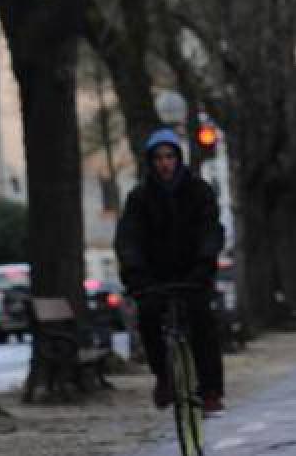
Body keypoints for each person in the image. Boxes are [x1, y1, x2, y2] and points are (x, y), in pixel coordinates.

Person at [115, 127, 225, 414]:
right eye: (158, 158)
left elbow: (210, 229)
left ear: (178, 158)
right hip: (155, 277)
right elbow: (129, 238)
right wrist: (135, 272)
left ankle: (211, 390)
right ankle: (164, 377)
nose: (165, 163)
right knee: (149, 317)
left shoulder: (199, 191)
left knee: (202, 322)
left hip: (193, 273)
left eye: (170, 156)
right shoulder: (139, 197)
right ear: (150, 162)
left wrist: (205, 263)